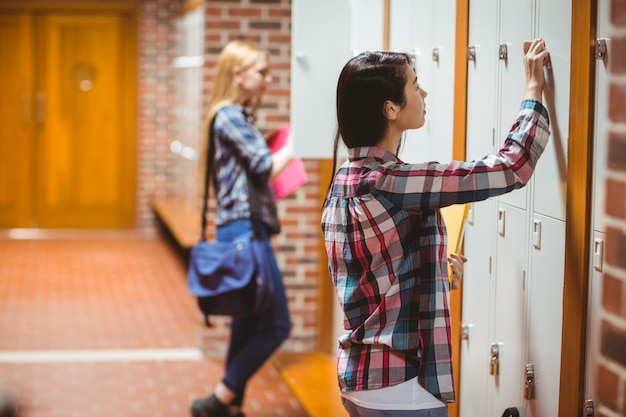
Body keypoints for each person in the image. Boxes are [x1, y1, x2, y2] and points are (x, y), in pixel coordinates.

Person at [321, 38, 550, 417]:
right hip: (403, 389)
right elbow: (511, 167)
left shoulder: (344, 179)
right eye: (414, 84)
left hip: (359, 383)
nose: (423, 91)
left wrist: (434, 274)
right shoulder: (393, 181)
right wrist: (532, 90)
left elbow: (372, 273)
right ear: (390, 108)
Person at [190, 40, 293, 417]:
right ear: (238, 74)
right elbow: (265, 166)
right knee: (278, 324)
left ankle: (230, 408)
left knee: (246, 323)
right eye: (262, 72)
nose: (269, 79)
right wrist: (300, 138)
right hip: (244, 232)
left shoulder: (235, 116)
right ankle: (217, 400)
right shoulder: (229, 115)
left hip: (242, 230)